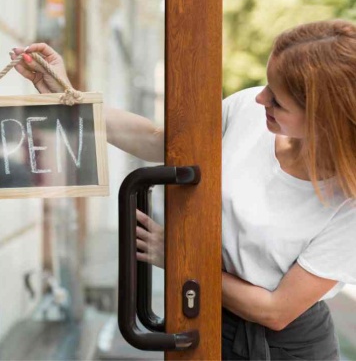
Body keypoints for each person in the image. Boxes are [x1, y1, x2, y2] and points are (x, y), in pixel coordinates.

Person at [11, 19, 356, 360]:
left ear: (322, 118)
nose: (260, 98)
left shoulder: (349, 201)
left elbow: (275, 311)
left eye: (277, 100)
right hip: (202, 313)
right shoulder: (248, 113)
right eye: (266, 84)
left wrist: (179, 257)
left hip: (282, 347)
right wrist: (67, 94)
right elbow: (158, 141)